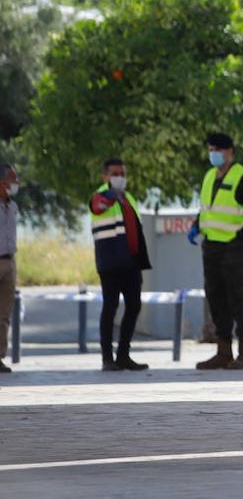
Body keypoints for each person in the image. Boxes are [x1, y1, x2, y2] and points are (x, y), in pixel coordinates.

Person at [188, 133, 243, 371]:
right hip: (211, 247)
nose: (214, 154)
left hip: (233, 248)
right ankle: (223, 352)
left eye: (218, 150)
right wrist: (196, 226)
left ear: (230, 152)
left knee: (238, 299)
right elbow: (208, 208)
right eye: (211, 149)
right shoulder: (210, 175)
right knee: (216, 298)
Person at [88, 158, 152, 371]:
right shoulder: (100, 196)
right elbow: (98, 207)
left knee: (134, 306)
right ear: (105, 176)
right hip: (111, 262)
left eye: (123, 174)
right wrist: (111, 193)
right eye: (115, 174)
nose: (120, 178)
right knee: (110, 307)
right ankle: (107, 358)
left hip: (131, 261)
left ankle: (123, 355)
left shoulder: (129, 198)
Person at [0, 163, 19, 374]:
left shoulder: (12, 206)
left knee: (4, 313)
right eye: (13, 179)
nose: (17, 183)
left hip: (9, 261)